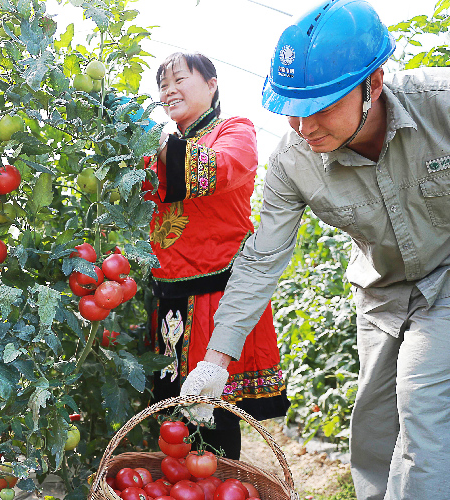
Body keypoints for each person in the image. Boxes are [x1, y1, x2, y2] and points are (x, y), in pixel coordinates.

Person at [180, 1, 450, 499]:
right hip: (381, 293)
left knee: (424, 411)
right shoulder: (293, 163)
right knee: (374, 430)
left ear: (372, 85)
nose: (304, 127)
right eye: (291, 110)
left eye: (322, 107)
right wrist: (215, 360)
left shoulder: (446, 104)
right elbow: (263, 257)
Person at [142, 52, 289, 459]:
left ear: (211, 84)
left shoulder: (233, 129)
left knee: (214, 420)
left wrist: (156, 146)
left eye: (179, 80)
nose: (168, 90)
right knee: (172, 419)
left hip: (218, 295)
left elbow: (223, 167)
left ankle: (219, 484)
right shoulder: (157, 148)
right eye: (163, 84)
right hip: (169, 294)